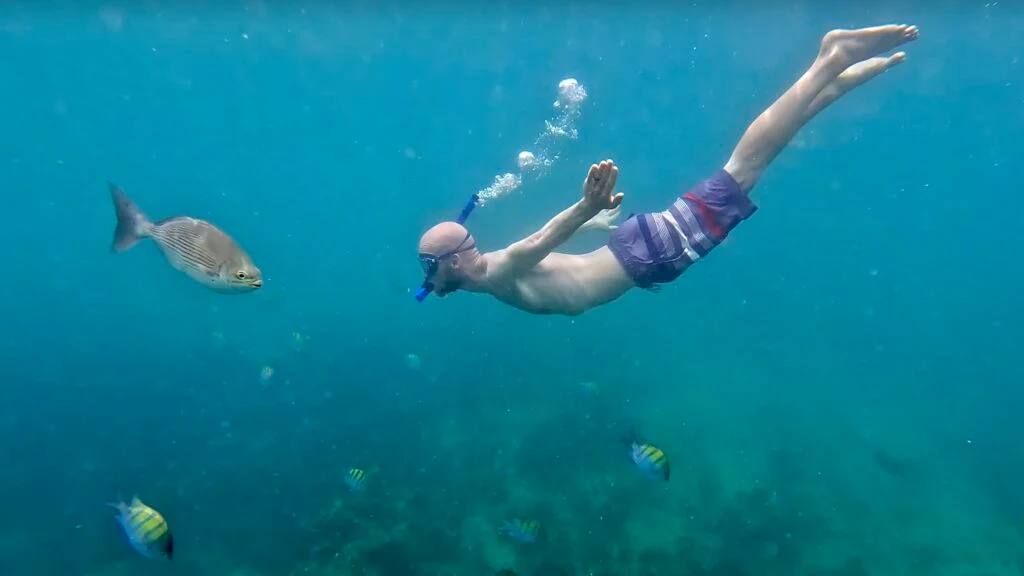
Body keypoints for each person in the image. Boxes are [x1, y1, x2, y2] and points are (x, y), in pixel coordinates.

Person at [416, 24, 919, 316]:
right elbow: (544, 250)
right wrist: (593, 222)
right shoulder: (494, 271)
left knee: (743, 169)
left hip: (649, 254)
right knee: (752, 169)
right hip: (637, 250)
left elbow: (541, 240)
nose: (426, 276)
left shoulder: (499, 269)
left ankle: (827, 62)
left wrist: (586, 207)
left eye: (427, 265)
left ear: (454, 261)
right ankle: (837, 80)